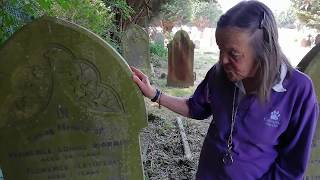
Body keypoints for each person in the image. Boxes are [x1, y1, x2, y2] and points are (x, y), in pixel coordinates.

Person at [131, 1, 319, 179]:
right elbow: (195, 108)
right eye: (221, 50)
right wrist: (154, 94)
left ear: (264, 49)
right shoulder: (219, 74)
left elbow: (291, 169)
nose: (222, 60)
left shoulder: (298, 91)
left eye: (233, 54)